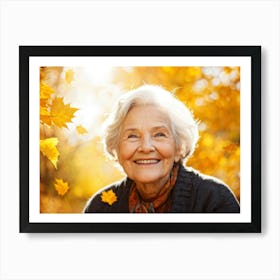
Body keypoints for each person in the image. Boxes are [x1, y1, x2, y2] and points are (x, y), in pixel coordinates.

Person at [84, 85, 240, 213]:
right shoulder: (101, 207)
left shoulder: (214, 200)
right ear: (117, 148)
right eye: (132, 136)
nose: (146, 147)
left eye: (159, 134)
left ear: (179, 147)